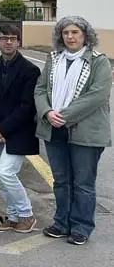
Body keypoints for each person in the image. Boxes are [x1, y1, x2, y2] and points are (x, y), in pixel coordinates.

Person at [35, 16, 112, 245]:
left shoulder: (99, 61)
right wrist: (48, 112)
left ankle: (81, 227)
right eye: (66, 32)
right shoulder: (53, 58)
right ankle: (61, 223)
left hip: (85, 132)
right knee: (61, 180)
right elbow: (40, 89)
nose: (70, 37)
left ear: (85, 35)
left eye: (75, 32)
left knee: (83, 182)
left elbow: (97, 95)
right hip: (54, 128)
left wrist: (63, 116)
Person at [0, 24, 40, 233]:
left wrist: (3, 129)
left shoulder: (30, 70)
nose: (8, 42)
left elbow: (27, 106)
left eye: (12, 38)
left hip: (18, 132)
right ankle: (13, 216)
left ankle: (27, 215)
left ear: (18, 42)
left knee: (6, 173)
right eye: (4, 38)